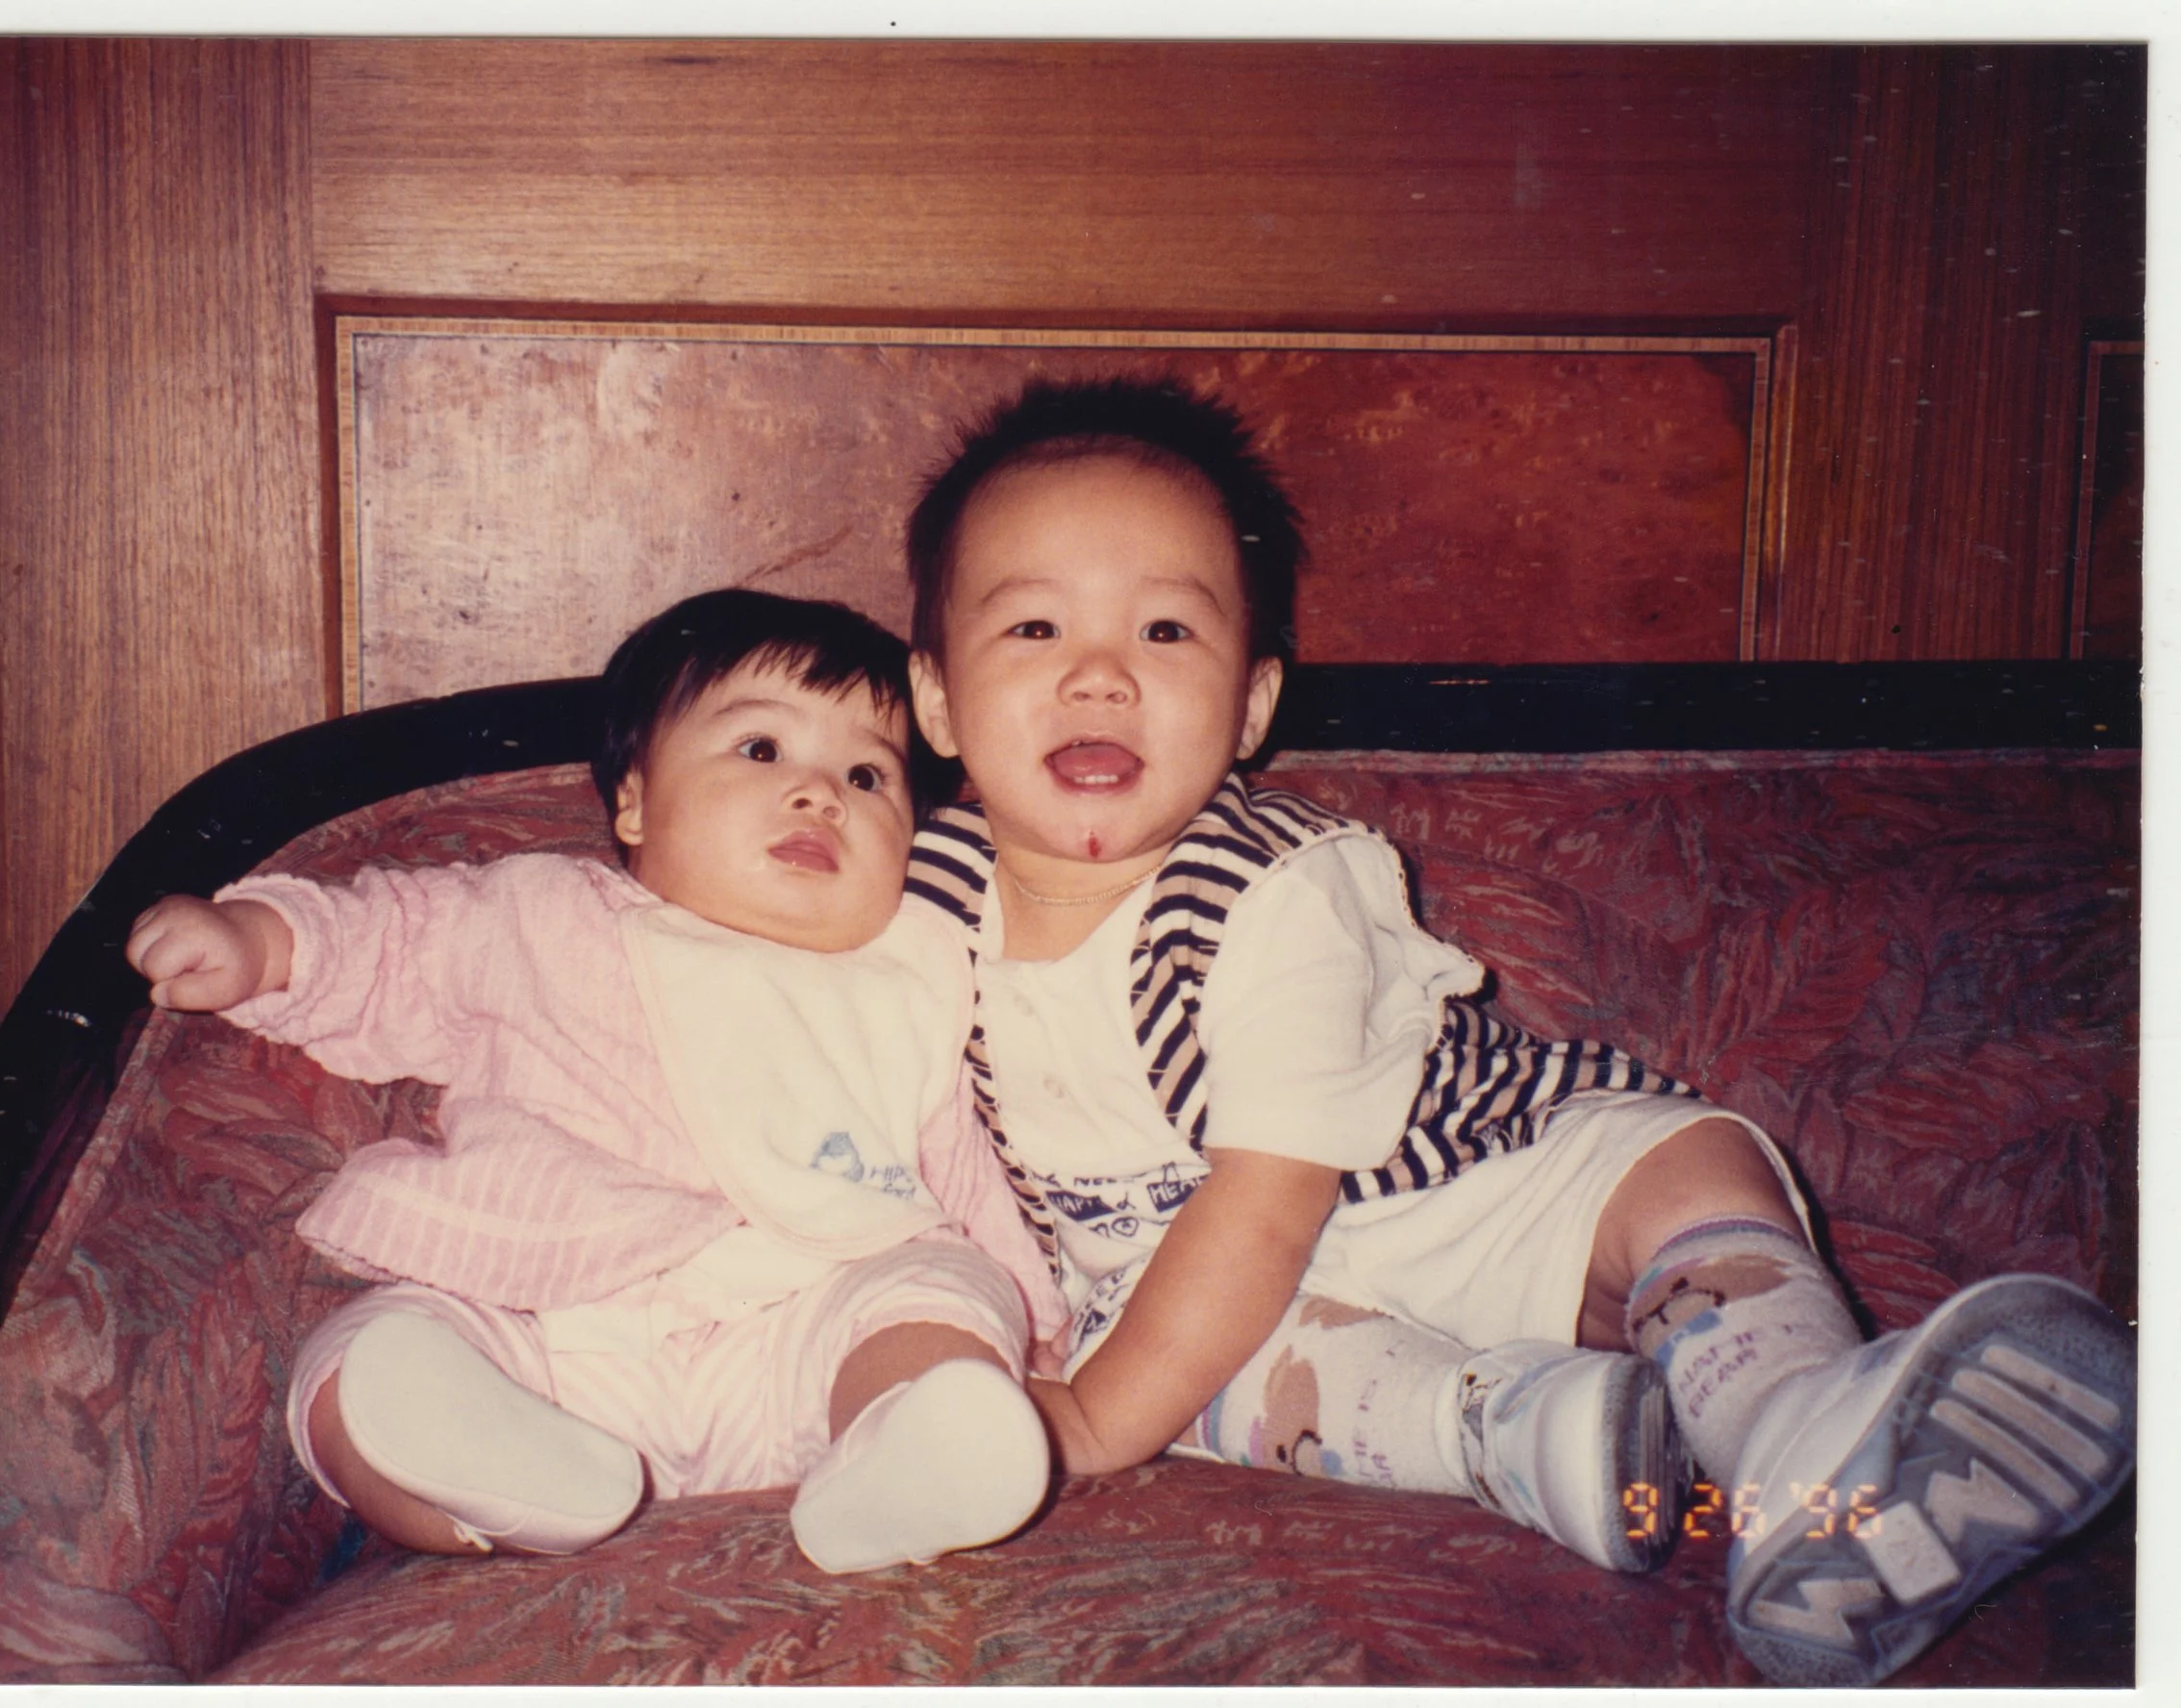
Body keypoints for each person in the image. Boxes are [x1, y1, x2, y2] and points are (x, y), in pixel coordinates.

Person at [895, 376, 2138, 1687]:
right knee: (1223, 1384)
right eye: (1033, 626)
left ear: (1253, 706)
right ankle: (1528, 1434)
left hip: (1469, 1191)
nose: (1100, 673)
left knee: (1688, 1159)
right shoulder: (916, 899)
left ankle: (1798, 1432)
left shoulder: (1274, 886)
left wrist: (1091, 1420)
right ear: (933, 701)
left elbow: (1265, 1203)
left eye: (1163, 630)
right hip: (1193, 1299)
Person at [125, 588, 1067, 1575]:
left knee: (940, 1284)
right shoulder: (538, 913)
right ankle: (497, 1481)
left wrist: (1029, 1337)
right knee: (363, 1356)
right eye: (761, 750)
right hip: (548, 1336)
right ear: (634, 800)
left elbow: (958, 1168)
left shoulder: (907, 973)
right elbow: (386, 944)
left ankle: (906, 1451)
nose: (819, 794)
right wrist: (257, 938)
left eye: (869, 775)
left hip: (796, 1349)